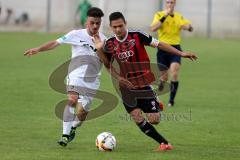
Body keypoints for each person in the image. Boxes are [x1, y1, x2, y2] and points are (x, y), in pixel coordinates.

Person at [93, 12, 197, 151]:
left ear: (125, 23)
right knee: (137, 118)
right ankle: (164, 144)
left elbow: (159, 44)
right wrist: (99, 49)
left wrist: (180, 54)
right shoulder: (110, 43)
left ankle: (156, 101)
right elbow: (107, 64)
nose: (118, 29)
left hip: (143, 84)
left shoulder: (137, 35)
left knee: (155, 120)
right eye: (115, 27)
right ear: (111, 27)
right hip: (126, 87)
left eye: (120, 26)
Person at [24, 7, 106, 147]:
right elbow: (55, 43)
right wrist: (38, 49)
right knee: (72, 100)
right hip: (75, 76)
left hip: (92, 82)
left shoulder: (105, 40)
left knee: (81, 115)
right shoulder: (75, 34)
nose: (95, 26)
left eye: (97, 23)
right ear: (87, 21)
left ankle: (73, 127)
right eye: (92, 22)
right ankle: (65, 136)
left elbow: (107, 62)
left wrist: (99, 48)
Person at [150, 0, 194, 107]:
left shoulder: (179, 17)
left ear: (175, 4)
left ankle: (171, 101)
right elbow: (153, 28)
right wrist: (165, 16)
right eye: (168, 2)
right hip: (163, 48)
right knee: (164, 77)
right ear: (165, 3)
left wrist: (188, 27)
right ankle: (162, 81)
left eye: (172, 2)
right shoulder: (159, 14)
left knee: (174, 72)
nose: (170, 4)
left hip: (175, 48)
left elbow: (190, 27)